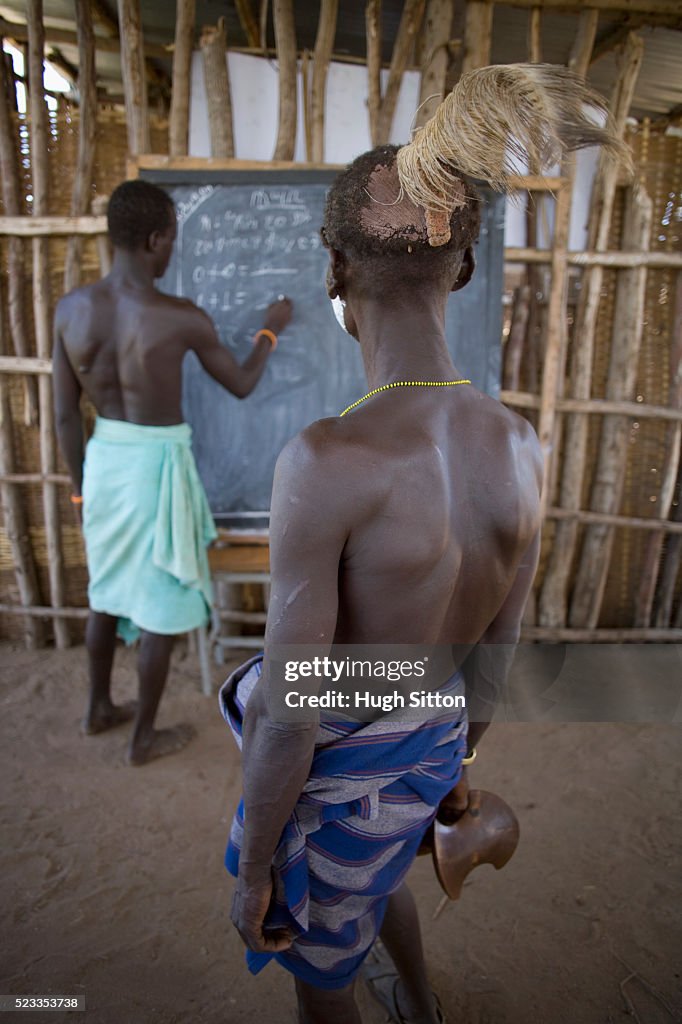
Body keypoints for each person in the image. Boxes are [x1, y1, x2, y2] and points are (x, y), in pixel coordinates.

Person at [220, 65, 627, 1022]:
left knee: (321, 974)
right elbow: (495, 657)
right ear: (465, 270)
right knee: (385, 864)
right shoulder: (520, 444)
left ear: (334, 278)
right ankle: (422, 995)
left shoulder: (326, 460)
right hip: (438, 737)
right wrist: (447, 770)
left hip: (341, 772)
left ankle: (390, 989)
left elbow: (289, 712)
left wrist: (249, 881)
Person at [53, 178, 292, 766]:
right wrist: (270, 330)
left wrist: (82, 490)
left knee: (105, 594)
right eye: (172, 241)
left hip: (106, 461)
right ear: (156, 238)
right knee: (162, 602)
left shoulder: (70, 310)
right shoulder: (179, 316)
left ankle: (98, 709)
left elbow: (63, 413)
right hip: (156, 467)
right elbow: (240, 383)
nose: (173, 253)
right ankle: (142, 741)